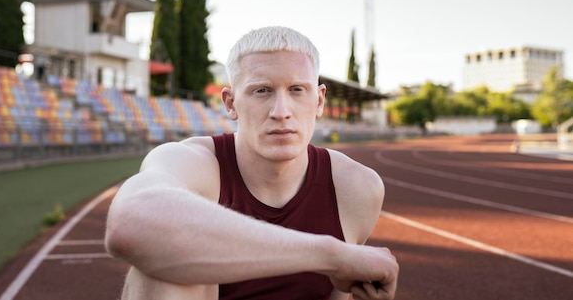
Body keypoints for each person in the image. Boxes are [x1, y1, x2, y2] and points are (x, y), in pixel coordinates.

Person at [105, 26, 398, 300]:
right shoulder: (194, 162)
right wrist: (333, 256)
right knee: (161, 260)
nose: (281, 112)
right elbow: (128, 223)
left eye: (297, 89)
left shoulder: (356, 187)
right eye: (262, 91)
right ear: (231, 103)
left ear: (319, 100)